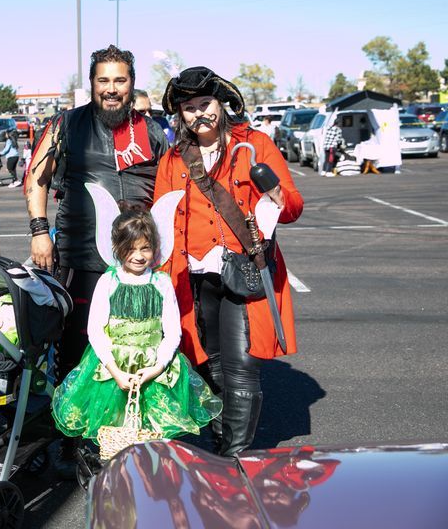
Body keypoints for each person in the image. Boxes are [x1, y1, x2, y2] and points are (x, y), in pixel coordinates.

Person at [154, 66, 303, 456]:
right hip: (192, 276)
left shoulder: (254, 144)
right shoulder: (173, 160)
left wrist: (273, 192)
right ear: (180, 114)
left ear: (221, 103)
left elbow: (292, 208)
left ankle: (233, 455)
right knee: (207, 365)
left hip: (244, 269)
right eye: (189, 108)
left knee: (240, 368)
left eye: (205, 104)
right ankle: (221, 442)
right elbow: (161, 218)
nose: (198, 114)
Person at [25, 45, 169, 387]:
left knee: (136, 346)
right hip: (81, 257)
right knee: (75, 350)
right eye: (103, 80)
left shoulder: (150, 131)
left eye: (120, 80)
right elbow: (37, 178)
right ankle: (71, 437)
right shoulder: (66, 124)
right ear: (91, 83)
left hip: (139, 262)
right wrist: (39, 231)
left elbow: (170, 186)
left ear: (131, 83)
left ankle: (125, 430)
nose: (111, 88)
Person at [52, 209, 221, 442]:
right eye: (130, 249)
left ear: (155, 248)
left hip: (154, 368)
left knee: (152, 434)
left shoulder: (161, 282)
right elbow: (96, 331)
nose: (138, 256)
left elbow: (172, 332)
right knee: (115, 430)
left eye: (145, 248)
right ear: (117, 248)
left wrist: (158, 367)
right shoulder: (108, 281)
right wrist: (116, 372)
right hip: (114, 367)